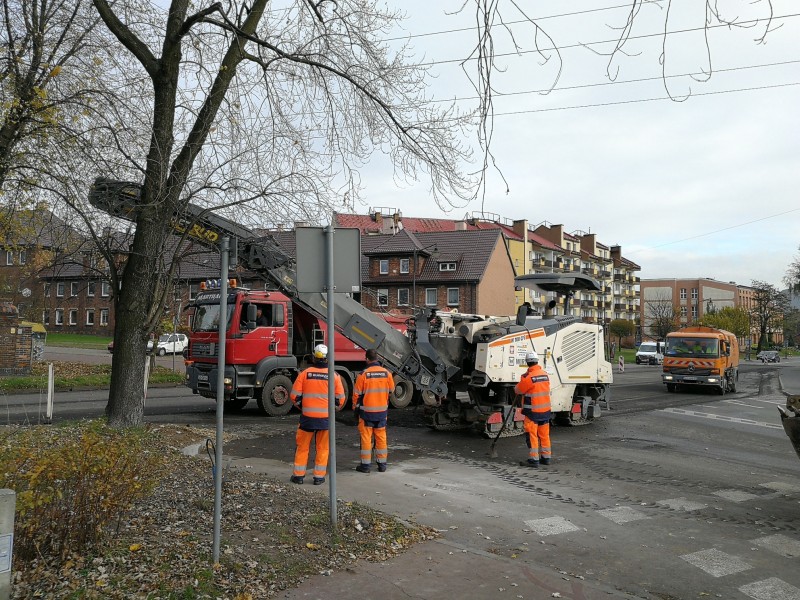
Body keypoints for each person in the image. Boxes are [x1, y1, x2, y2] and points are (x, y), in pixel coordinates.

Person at [288, 344, 345, 485]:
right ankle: (319, 477)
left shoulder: (305, 374)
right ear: (327, 358)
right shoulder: (334, 376)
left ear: (314, 357)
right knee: (323, 448)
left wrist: (303, 407)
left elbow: (294, 396)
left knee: (302, 447)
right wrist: (331, 409)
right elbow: (340, 400)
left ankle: (298, 476)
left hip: (307, 419)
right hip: (325, 420)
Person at [352, 349, 394, 473]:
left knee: (366, 438)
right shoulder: (387, 373)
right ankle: (382, 465)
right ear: (377, 358)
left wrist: (355, 409)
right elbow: (391, 390)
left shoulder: (363, 375)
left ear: (367, 359)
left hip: (366, 414)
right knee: (381, 437)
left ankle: (365, 466)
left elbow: (356, 395)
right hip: (381, 413)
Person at [514, 350, 552, 468]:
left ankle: (534, 459)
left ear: (527, 362)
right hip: (545, 411)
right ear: (537, 361)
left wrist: (522, 380)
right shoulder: (545, 374)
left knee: (532, 435)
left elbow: (518, 390)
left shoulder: (528, 377)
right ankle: (546, 458)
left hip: (532, 412)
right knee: (544, 435)